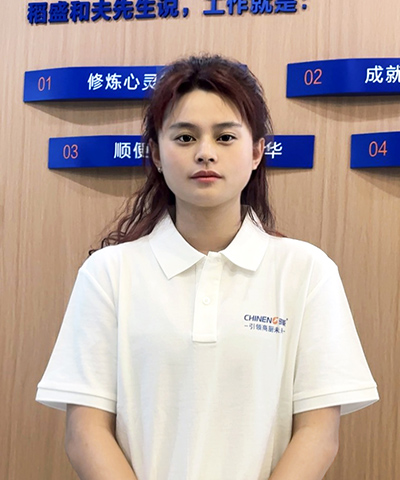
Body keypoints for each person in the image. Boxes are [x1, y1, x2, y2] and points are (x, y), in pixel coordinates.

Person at [36, 54, 379, 480]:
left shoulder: (307, 272)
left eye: (225, 137)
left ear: (256, 152)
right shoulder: (108, 274)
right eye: (184, 137)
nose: (205, 153)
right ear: (156, 154)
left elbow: (318, 434)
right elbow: (85, 431)